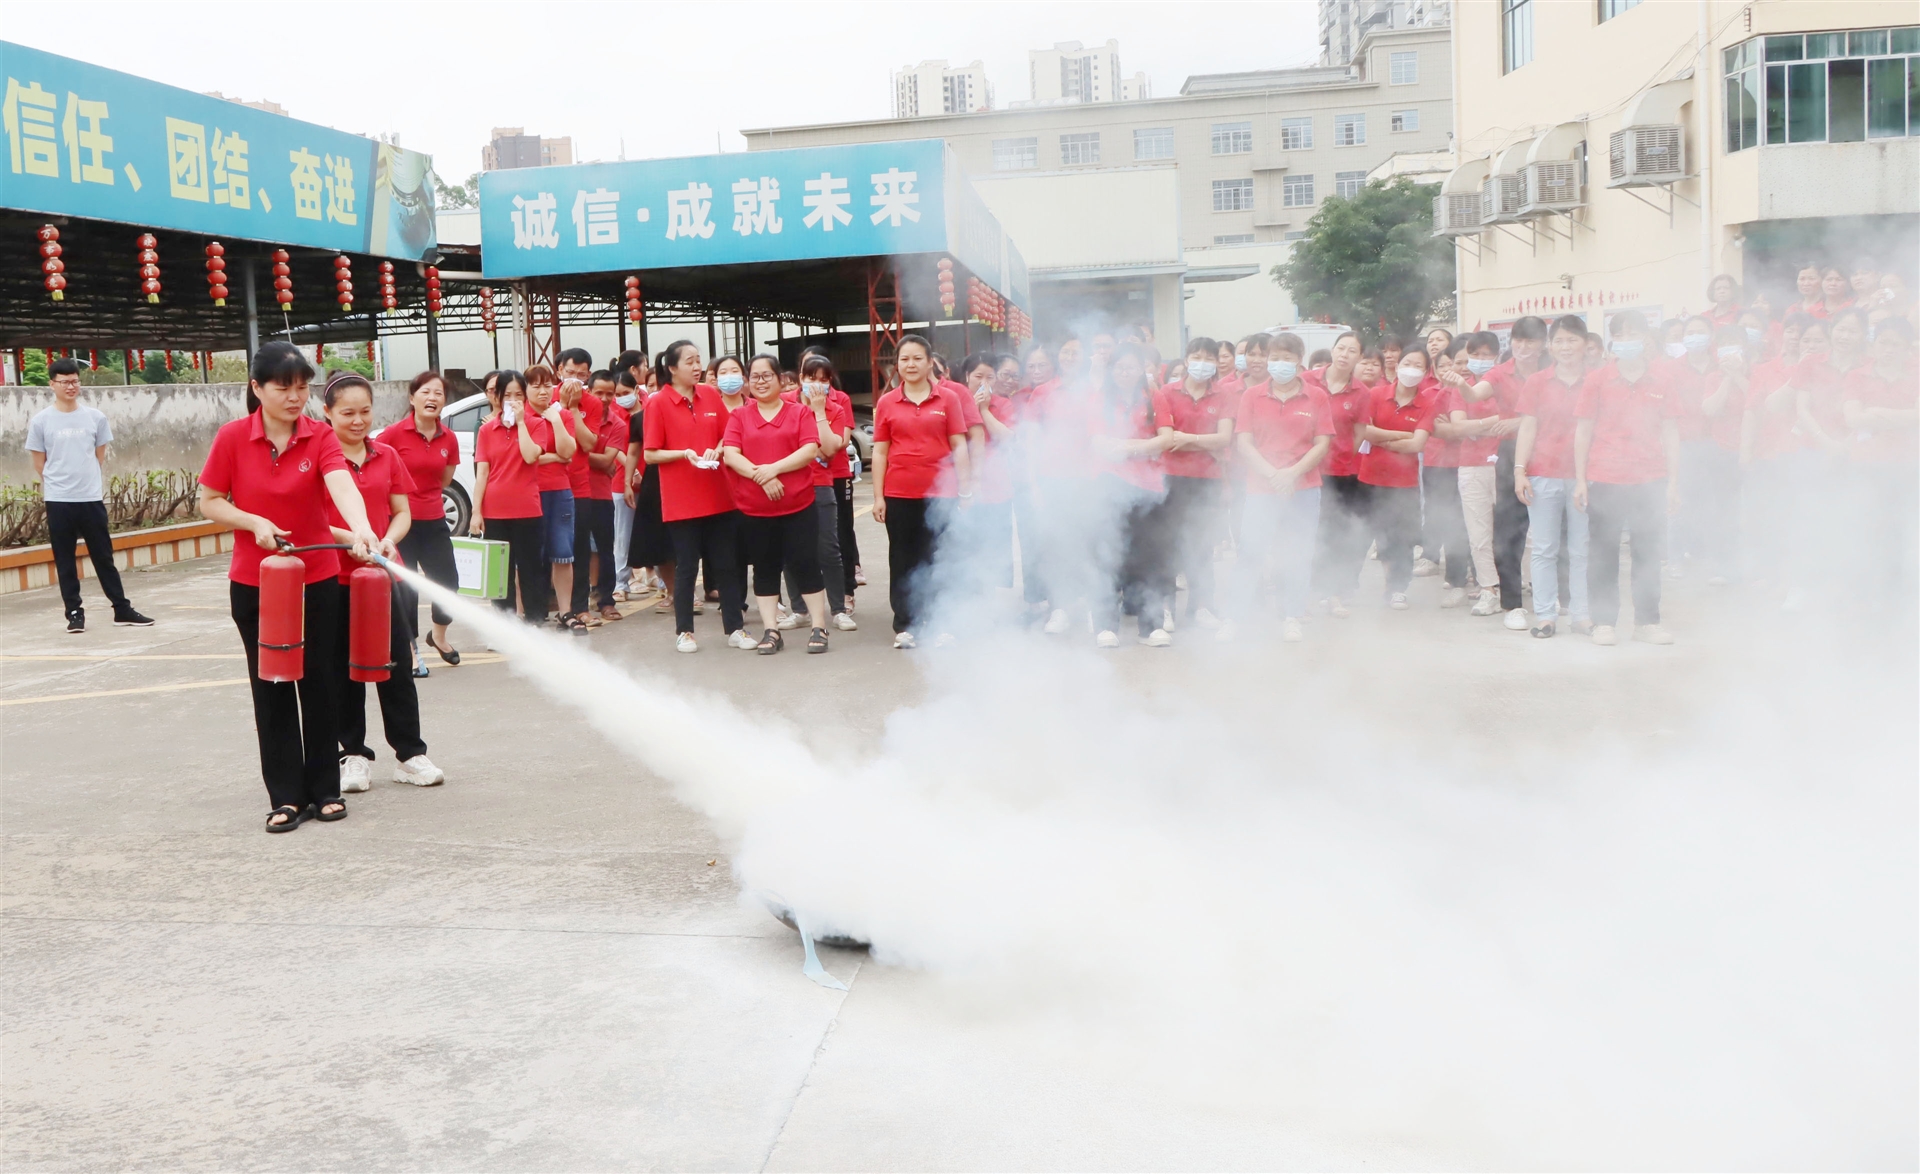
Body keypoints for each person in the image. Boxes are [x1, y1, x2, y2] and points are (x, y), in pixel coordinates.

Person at [196, 341, 379, 832]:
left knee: (319, 682)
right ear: (257, 388)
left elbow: (341, 483)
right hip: (255, 583)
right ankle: (285, 796)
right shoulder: (233, 438)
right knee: (271, 686)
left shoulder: (319, 436)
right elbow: (209, 500)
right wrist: (253, 521)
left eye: (302, 387)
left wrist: (361, 528)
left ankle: (325, 790)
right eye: (284, 387)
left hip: (316, 579)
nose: (296, 397)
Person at [318, 372, 444, 790]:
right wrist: (349, 537)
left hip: (385, 576)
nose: (358, 421)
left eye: (365, 411)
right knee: (341, 669)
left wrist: (388, 539)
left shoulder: (386, 454)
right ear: (327, 413)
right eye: (347, 413)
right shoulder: (319, 458)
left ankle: (410, 754)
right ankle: (352, 754)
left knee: (396, 665)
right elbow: (310, 518)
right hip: (335, 577)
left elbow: (402, 511)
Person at [1573, 311, 1681, 646]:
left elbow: (1670, 432)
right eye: (1620, 335)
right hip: (1606, 476)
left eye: (1633, 334)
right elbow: (1583, 431)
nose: (1627, 340)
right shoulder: (1598, 380)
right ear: (1613, 340)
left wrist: (1673, 482)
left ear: (1646, 338)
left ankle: (1647, 623)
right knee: (1603, 553)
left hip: (1650, 478)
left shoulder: (1662, 380)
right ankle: (1604, 622)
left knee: (1647, 552)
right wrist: (1580, 480)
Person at [25, 357, 152, 633]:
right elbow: (40, 464)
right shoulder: (41, 421)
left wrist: (84, 482)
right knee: (65, 560)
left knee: (103, 557)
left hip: (90, 498)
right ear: (52, 385)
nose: (70, 386)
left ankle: (122, 609)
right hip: (59, 500)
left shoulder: (95, 418)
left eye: (74, 381)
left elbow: (98, 457)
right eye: (64, 382)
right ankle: (74, 613)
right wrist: (60, 484)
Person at [721, 355, 833, 654]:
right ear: (748, 381)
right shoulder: (739, 416)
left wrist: (773, 469)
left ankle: (819, 627)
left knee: (805, 564)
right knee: (764, 568)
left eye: (767, 375)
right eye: (755, 377)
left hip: (799, 506)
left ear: (780, 379)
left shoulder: (799, 412)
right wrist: (762, 477)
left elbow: (809, 450)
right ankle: (771, 630)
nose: (760, 382)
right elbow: (731, 455)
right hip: (755, 509)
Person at [1226, 331, 1332, 642]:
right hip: (1261, 487)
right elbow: (1244, 442)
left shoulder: (1317, 397)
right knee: (1250, 552)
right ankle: (1235, 617)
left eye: (1287, 358)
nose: (1279, 363)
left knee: (1298, 552)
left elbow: (1322, 443)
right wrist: (1273, 474)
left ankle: (1292, 615)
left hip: (1304, 487)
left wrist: (1292, 474)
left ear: (1299, 361)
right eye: (1274, 358)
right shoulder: (1252, 395)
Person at [645, 340, 749, 653]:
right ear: (672, 368)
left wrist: (718, 448)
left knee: (726, 564)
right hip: (682, 500)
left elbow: (729, 434)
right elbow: (650, 453)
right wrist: (684, 454)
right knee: (687, 567)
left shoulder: (710, 394)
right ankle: (685, 631)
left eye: (698, 360)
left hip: (718, 494)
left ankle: (735, 628)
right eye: (689, 361)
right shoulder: (658, 403)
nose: (697, 367)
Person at [871, 334, 972, 649]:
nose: (910, 364)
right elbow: (880, 452)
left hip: (942, 495)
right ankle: (907, 624)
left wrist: (965, 491)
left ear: (930, 363)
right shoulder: (887, 402)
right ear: (897, 365)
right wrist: (878, 497)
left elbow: (959, 445)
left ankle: (942, 622)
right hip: (899, 494)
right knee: (903, 559)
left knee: (939, 558)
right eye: (904, 359)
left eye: (917, 358)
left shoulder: (948, 399)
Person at [1461, 316, 1547, 627]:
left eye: (1530, 341)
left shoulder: (1553, 372)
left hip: (1550, 452)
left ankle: (1552, 595)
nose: (1523, 347)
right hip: (1511, 453)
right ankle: (1512, 604)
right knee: (1510, 529)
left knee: (1551, 530)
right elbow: (1475, 394)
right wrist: (1461, 385)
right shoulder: (1501, 372)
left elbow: (1563, 415)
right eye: (1518, 341)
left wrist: (1520, 421)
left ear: (1542, 344)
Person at [1515, 316, 1594, 638]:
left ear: (1585, 344)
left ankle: (1581, 615)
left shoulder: (1596, 380)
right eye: (1559, 340)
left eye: (1572, 340)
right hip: (1543, 473)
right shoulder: (1537, 382)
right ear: (1550, 346)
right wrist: (1519, 470)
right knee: (1544, 549)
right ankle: (1546, 616)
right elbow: (1528, 426)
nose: (1566, 347)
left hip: (1584, 476)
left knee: (1581, 549)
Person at [1155, 335, 1238, 628]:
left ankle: (1201, 607)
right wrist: (1205, 442)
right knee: (1168, 544)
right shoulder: (1167, 392)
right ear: (1186, 359)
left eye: (1209, 358)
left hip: (1207, 481)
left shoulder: (1224, 395)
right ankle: (1165, 607)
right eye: (1197, 357)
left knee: (1202, 545)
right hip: (1170, 478)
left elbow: (1224, 438)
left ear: (1216, 363)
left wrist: (1188, 439)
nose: (1202, 363)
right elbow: (1166, 439)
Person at [380, 370, 460, 673]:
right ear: (412, 398)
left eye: (438, 393)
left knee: (448, 584)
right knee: (406, 590)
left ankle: (438, 636)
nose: (432, 398)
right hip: (400, 524)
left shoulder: (448, 438)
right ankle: (411, 650)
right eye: (425, 392)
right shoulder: (392, 435)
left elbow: (444, 480)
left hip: (434, 520)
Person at [776, 353, 856, 632]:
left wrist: (819, 412)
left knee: (828, 549)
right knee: (791, 549)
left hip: (820, 483)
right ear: (801, 378)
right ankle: (799, 609)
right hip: (789, 483)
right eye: (811, 378)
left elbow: (830, 448)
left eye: (823, 379)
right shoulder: (784, 403)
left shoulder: (835, 409)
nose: (817, 384)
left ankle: (838, 609)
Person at [1842, 315, 1917, 603]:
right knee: (1866, 525)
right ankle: (1864, 590)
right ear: (1874, 344)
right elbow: (1852, 418)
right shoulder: (1857, 376)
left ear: (1907, 348)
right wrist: (1901, 418)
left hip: (1905, 464)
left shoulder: (1916, 375)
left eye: (1896, 344)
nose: (1889, 349)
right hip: (1865, 463)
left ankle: (1895, 591)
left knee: (1899, 528)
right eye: (1884, 343)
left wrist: (1875, 414)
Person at [1356, 347, 1438, 609]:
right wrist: (1403, 436)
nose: (1411, 369)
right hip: (1370, 478)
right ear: (1397, 365)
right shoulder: (1376, 394)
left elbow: (1417, 444)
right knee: (1361, 536)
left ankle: (1397, 588)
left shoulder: (1427, 403)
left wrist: (1383, 439)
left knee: (1401, 540)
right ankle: (1344, 588)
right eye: (1407, 362)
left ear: (1426, 372)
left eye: (1418, 365)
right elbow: (1365, 431)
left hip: (1405, 483)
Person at [470, 371, 551, 624]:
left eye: (518, 395)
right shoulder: (486, 430)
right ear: (497, 397)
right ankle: (505, 624)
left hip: (527, 509)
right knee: (499, 574)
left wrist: (521, 423)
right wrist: (476, 512)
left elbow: (530, 456)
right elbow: (482, 473)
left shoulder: (536, 424)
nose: (513, 400)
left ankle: (535, 622)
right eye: (507, 395)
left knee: (531, 569)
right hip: (495, 511)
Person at [1438, 332, 1506, 608]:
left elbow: (1517, 420)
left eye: (1485, 355)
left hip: (1504, 463)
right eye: (1474, 355)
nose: (1478, 360)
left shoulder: (1506, 384)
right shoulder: (1461, 388)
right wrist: (1494, 422)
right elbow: (1457, 427)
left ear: (1497, 356)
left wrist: (1475, 426)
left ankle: (1519, 581)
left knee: (1515, 531)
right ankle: (1488, 587)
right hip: (1471, 465)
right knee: (1479, 533)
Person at [1305, 332, 1369, 617]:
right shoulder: (1306, 380)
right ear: (1332, 350)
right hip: (1304, 469)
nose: (1344, 354)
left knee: (1336, 534)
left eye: (1352, 351)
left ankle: (1332, 594)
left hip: (1341, 473)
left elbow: (1359, 433)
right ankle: (1303, 595)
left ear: (1359, 357)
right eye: (1341, 348)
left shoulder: (1361, 393)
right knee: (1305, 532)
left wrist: (1341, 456)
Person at [519, 366, 581, 632]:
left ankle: (565, 611)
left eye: (547, 385)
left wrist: (555, 421)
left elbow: (569, 452)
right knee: (526, 555)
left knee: (563, 552)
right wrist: (554, 457)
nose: (543, 391)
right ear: (525, 390)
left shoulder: (562, 415)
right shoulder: (520, 417)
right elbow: (525, 457)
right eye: (535, 386)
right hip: (527, 491)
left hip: (559, 491)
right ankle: (522, 611)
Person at [567, 369, 622, 625]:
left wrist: (578, 454)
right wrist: (593, 458)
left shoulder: (617, 424)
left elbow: (607, 460)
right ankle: (573, 602)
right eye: (599, 392)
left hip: (600, 494)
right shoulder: (573, 413)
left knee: (605, 549)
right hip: (573, 492)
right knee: (575, 551)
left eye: (610, 393)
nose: (604, 398)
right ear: (588, 390)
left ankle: (607, 600)